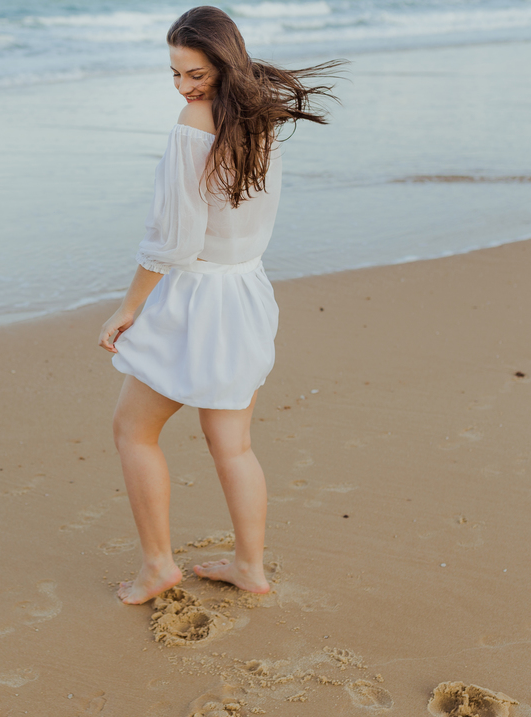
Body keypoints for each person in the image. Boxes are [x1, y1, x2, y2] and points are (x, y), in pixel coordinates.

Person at [98, 6, 346, 605]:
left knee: (133, 430)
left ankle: (158, 566)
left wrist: (128, 307)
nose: (184, 87)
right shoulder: (259, 117)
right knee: (232, 443)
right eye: (176, 75)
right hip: (247, 293)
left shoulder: (195, 123)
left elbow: (174, 242)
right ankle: (249, 567)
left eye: (195, 73)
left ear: (223, 64)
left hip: (196, 300)